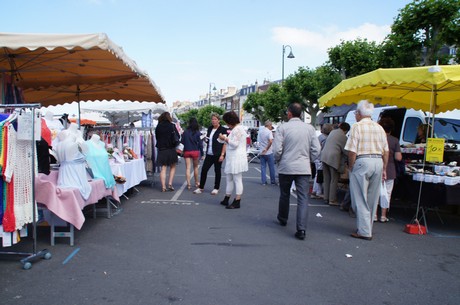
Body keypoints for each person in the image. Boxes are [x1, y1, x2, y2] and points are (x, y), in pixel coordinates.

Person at [273, 103, 321, 240]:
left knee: (284, 194)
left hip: (286, 166)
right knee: (303, 198)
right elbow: (317, 149)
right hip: (303, 167)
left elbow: (277, 150)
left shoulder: (283, 128)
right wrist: (309, 159)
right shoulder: (310, 129)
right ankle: (301, 229)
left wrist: (279, 159)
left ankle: (283, 217)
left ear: (289, 113)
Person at [345, 100, 389, 240]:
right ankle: (366, 227)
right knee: (372, 198)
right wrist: (384, 168)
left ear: (358, 113)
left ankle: (364, 231)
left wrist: (351, 166)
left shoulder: (357, 127)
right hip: (378, 161)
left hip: (362, 160)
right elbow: (386, 151)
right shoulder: (379, 127)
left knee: (359, 197)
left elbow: (352, 151)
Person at [218, 111, 248, 209]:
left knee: (237, 179)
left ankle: (237, 200)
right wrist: (224, 138)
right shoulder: (236, 129)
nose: (226, 124)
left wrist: (224, 138)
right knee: (230, 178)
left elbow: (235, 144)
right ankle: (227, 197)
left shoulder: (238, 129)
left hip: (236, 158)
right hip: (233, 157)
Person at [194, 113, 227, 195]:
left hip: (218, 153)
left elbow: (225, 143)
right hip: (209, 153)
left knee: (217, 170)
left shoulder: (223, 130)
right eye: (212, 119)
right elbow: (209, 140)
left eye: (215, 119)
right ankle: (201, 187)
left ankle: (216, 188)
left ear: (219, 120)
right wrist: (205, 139)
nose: (213, 121)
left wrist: (222, 155)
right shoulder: (210, 128)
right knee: (204, 169)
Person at [377, 117, 402, 223]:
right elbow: (398, 158)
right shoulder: (395, 140)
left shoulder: (376, 138)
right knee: (387, 193)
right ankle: (383, 215)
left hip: (377, 167)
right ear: (391, 129)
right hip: (390, 169)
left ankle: (373, 215)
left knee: (375, 192)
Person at [321, 122, 350, 206]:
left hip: (324, 156)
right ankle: (332, 199)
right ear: (346, 130)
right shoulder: (343, 137)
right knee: (334, 179)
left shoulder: (333, 132)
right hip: (333, 159)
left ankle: (326, 197)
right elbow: (346, 151)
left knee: (326, 179)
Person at [155, 112, 179, 192]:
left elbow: (157, 137)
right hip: (171, 148)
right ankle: (170, 183)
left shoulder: (158, 126)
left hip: (162, 149)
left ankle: (163, 186)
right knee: (173, 166)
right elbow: (177, 136)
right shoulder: (172, 126)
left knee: (163, 168)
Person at [311, 123, 333, 200]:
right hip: (321, 158)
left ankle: (316, 191)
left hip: (317, 158)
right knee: (319, 175)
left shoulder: (320, 137)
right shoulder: (326, 138)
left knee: (318, 174)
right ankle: (317, 191)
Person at [181, 117, 203, 190]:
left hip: (187, 151)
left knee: (188, 168)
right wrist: (202, 153)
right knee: (195, 167)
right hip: (195, 151)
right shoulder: (198, 132)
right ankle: (197, 182)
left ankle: (189, 184)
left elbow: (182, 142)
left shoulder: (185, 132)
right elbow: (200, 144)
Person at [258, 120, 276, 185]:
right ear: (269, 125)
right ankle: (273, 181)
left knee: (263, 167)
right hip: (268, 151)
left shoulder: (260, 132)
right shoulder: (269, 132)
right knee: (271, 167)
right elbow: (270, 141)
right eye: (271, 126)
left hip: (261, 151)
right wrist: (267, 148)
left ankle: (263, 181)